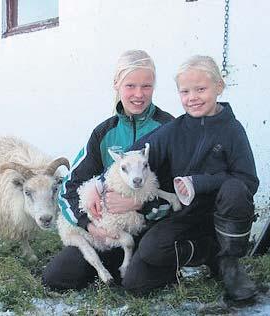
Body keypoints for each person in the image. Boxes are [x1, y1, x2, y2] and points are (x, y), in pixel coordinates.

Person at [114, 55, 259, 300]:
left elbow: (248, 180)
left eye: (200, 89)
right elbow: (134, 156)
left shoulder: (233, 130)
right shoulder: (173, 130)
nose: (192, 97)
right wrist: (101, 184)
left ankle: (230, 263)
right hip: (184, 214)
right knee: (137, 279)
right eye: (185, 91)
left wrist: (200, 182)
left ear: (219, 87)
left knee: (235, 188)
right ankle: (208, 253)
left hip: (221, 214)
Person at [42, 49, 174, 290]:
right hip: (106, 231)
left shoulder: (168, 128)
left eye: (146, 86)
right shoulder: (104, 133)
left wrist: (140, 204)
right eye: (130, 85)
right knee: (56, 277)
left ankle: (143, 266)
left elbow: (178, 192)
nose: (138, 94)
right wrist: (89, 225)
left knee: (137, 285)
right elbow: (68, 189)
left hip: (149, 229)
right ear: (116, 84)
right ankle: (113, 264)